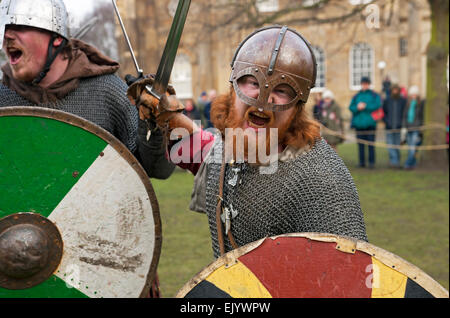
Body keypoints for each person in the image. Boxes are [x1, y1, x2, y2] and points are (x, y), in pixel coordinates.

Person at [128, 25, 368, 259]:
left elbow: (346, 275)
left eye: (282, 90)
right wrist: (166, 113)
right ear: (233, 88)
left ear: (298, 106)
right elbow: (201, 148)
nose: (263, 99)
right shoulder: (229, 148)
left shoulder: (321, 179)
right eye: (252, 82)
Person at [0, 0, 175, 181]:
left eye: (20, 27)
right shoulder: (2, 98)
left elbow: (158, 171)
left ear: (56, 37)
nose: (7, 36)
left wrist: (153, 124)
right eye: (4, 28)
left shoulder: (107, 92)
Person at [349, 76, 382, 169]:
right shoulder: (356, 96)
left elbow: (377, 105)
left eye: (366, 84)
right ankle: (361, 162)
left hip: (370, 124)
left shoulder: (374, 95)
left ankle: (371, 162)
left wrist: (365, 106)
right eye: (363, 84)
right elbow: (351, 107)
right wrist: (357, 107)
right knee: (360, 145)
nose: (364, 85)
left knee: (371, 144)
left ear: (369, 84)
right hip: (359, 125)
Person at [382, 84, 407, 168]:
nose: (395, 91)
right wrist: (386, 121)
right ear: (391, 91)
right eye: (394, 90)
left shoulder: (403, 101)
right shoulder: (387, 100)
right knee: (390, 146)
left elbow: (404, 113)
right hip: (389, 127)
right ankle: (395, 163)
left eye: (396, 90)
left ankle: (395, 162)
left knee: (396, 146)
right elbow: (383, 113)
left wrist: (402, 124)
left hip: (398, 128)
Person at [402, 85, 425, 170]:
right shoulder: (408, 104)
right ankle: (413, 164)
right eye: (412, 94)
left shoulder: (420, 104)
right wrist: (404, 127)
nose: (413, 96)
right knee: (410, 148)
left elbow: (421, 116)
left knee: (413, 148)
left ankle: (407, 164)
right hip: (408, 129)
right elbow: (404, 116)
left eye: (415, 94)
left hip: (416, 129)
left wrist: (421, 127)